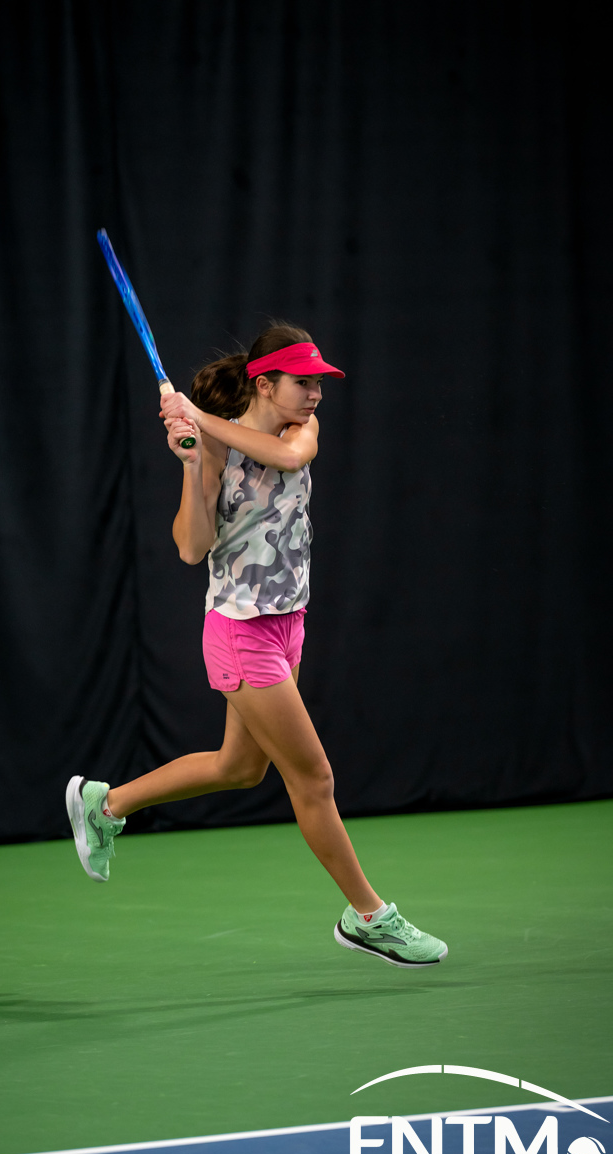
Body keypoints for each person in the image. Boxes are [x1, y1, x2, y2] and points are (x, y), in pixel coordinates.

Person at [66, 323, 447, 969]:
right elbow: (192, 548)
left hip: (287, 623)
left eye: (319, 383)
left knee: (239, 768)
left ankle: (107, 804)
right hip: (240, 632)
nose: (315, 394)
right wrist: (193, 464)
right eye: (303, 382)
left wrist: (198, 420)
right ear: (265, 384)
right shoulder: (215, 447)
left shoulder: (300, 433)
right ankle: (369, 917)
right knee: (314, 779)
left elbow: (288, 460)